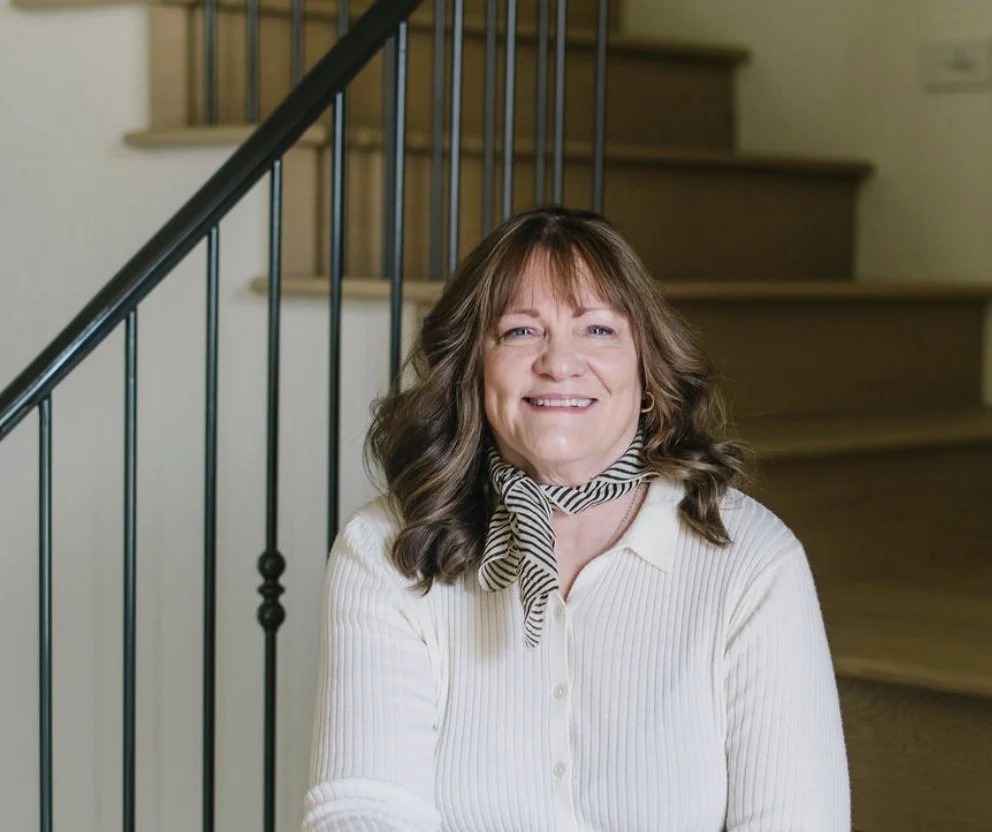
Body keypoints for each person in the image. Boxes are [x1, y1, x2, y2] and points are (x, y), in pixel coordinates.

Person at [303, 207, 850, 831]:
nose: (559, 363)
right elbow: (362, 809)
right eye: (519, 332)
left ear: (645, 370)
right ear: (471, 371)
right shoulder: (384, 548)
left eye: (596, 330)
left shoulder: (752, 560)